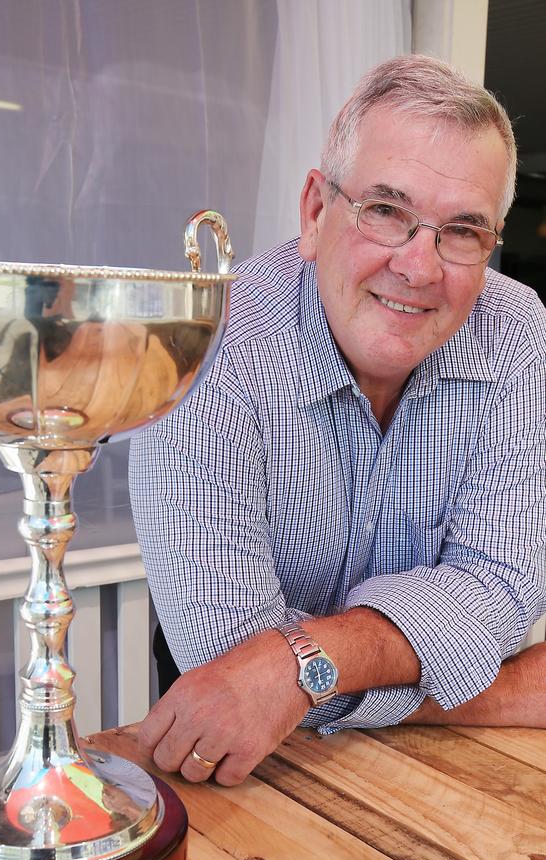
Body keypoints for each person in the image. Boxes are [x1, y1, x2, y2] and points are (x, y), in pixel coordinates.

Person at [128, 54, 546, 787]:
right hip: (247, 776)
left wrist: (290, 673)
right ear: (316, 212)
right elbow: (226, 659)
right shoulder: (208, 342)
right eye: (386, 210)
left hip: (442, 779)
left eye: (463, 231)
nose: (419, 267)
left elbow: (503, 591)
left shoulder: (518, 332)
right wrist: (497, 685)